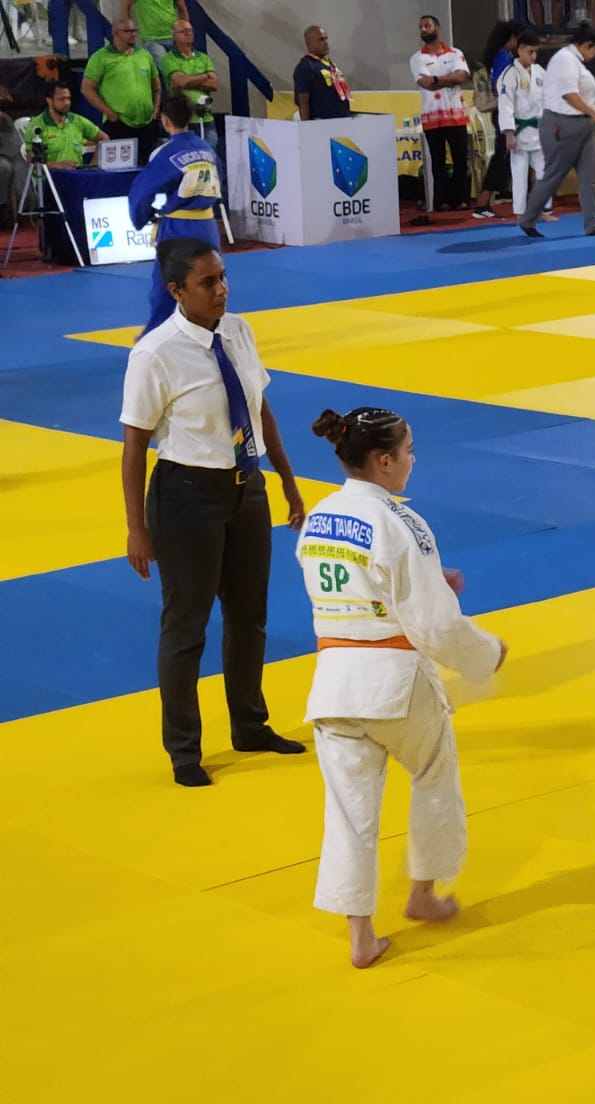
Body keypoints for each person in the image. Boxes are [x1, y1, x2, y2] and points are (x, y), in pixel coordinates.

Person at [298, 405, 508, 969]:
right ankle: (422, 895)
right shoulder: (400, 520)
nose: (414, 460)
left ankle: (361, 938)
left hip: (334, 683)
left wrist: (429, 578)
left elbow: (359, 585)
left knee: (348, 813)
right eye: (408, 451)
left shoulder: (319, 516)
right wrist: (485, 654)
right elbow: (436, 626)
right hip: (396, 681)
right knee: (435, 777)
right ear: (384, 461)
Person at [120, 238, 307, 789]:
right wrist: (137, 529)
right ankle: (184, 749)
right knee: (187, 626)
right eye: (208, 282)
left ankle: (250, 725)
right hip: (186, 495)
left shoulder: (239, 332)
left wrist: (287, 480)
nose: (222, 289)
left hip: (247, 488)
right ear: (177, 291)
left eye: (223, 277)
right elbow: (134, 446)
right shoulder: (154, 354)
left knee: (250, 616)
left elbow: (259, 409)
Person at [129, 93, 222, 336]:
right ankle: (212, 338)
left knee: (165, 289)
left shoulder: (167, 153)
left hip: (180, 229)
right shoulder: (206, 148)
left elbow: (142, 190)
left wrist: (143, 216)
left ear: (165, 120)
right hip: (208, 227)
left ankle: (152, 341)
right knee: (210, 284)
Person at [520, 24, 595, 240]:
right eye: (594, 49)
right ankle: (528, 219)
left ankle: (593, 224)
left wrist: (591, 117)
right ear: (586, 45)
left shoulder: (577, 63)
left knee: (590, 177)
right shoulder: (564, 59)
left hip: (585, 125)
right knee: (554, 175)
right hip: (563, 124)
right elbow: (569, 95)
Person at [410, 13, 472, 212]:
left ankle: (460, 199)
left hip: (455, 116)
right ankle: (441, 201)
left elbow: (461, 76)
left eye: (427, 25)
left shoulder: (455, 53)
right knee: (438, 163)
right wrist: (447, 78)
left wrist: (437, 79)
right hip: (432, 116)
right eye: (421, 27)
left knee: (460, 160)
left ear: (437, 28)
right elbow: (425, 83)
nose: (423, 29)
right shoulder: (417, 58)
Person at [82, 16, 163, 162]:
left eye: (134, 31)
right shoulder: (101, 58)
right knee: (121, 167)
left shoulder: (144, 55)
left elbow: (156, 86)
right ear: (115, 32)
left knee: (149, 165)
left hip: (147, 124)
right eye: (128, 31)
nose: (133, 34)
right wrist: (109, 113)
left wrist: (156, 108)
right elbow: (87, 89)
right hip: (119, 124)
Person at [498, 34, 556, 224]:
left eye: (536, 52)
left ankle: (545, 209)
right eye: (530, 52)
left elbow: (549, 100)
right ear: (520, 50)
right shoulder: (510, 74)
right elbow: (505, 105)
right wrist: (509, 133)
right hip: (519, 131)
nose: (534, 56)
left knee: (545, 171)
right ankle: (521, 213)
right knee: (519, 173)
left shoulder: (540, 72)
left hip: (539, 130)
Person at [470, 19, 522, 218]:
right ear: (513, 38)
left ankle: (495, 198)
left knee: (506, 157)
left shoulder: (500, 55)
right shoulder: (503, 56)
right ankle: (483, 202)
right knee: (501, 157)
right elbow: (502, 85)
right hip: (504, 112)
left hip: (503, 112)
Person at [159, 19, 218, 151]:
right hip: (182, 120)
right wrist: (204, 76)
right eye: (183, 31)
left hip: (205, 118)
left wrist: (188, 80)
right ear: (174, 35)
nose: (188, 33)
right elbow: (181, 82)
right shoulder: (169, 59)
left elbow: (214, 84)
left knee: (209, 154)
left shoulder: (203, 58)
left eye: (190, 31)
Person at [31, 81, 109, 168]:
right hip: (51, 175)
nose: (66, 103)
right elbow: (31, 161)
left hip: (77, 174)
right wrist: (57, 165)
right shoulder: (37, 125)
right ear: (49, 100)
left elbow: (104, 138)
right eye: (61, 99)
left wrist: (93, 165)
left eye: (68, 99)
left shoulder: (77, 121)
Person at [294, 25, 353, 121]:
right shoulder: (306, 66)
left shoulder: (330, 64)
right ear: (309, 43)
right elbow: (303, 100)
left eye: (326, 39)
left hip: (342, 119)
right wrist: (306, 126)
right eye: (321, 40)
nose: (326, 43)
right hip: (322, 122)